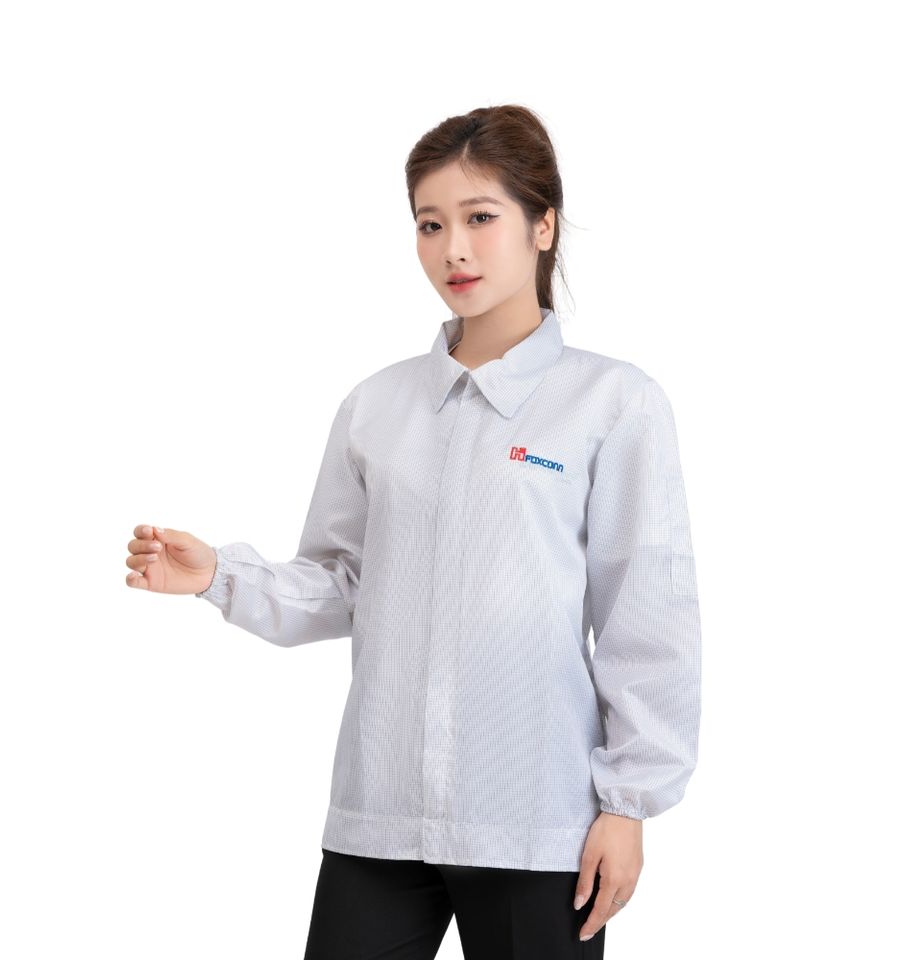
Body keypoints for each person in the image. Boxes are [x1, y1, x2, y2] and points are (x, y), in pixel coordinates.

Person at [125, 103, 702, 959]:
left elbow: (646, 617)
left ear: (543, 225)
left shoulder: (614, 404)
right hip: (381, 818)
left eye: (480, 218)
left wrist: (628, 806)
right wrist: (219, 575)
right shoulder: (377, 406)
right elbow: (345, 584)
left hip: (536, 823)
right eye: (430, 225)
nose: (453, 249)